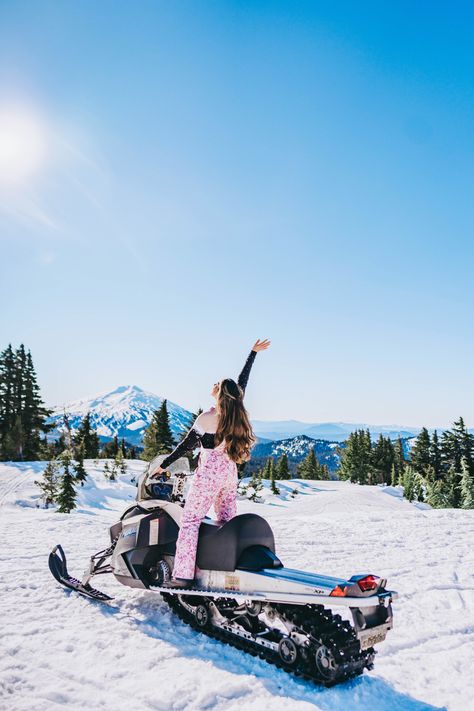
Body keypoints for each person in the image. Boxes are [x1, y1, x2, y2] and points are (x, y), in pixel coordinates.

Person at [152, 338, 271, 588]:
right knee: (227, 521)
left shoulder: (208, 417)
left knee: (191, 521)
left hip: (208, 476)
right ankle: (231, 568)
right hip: (229, 473)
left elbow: (186, 445)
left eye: (216, 383)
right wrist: (252, 353)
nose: (213, 384)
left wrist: (165, 465)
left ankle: (183, 576)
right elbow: (242, 381)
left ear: (219, 393)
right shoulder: (236, 410)